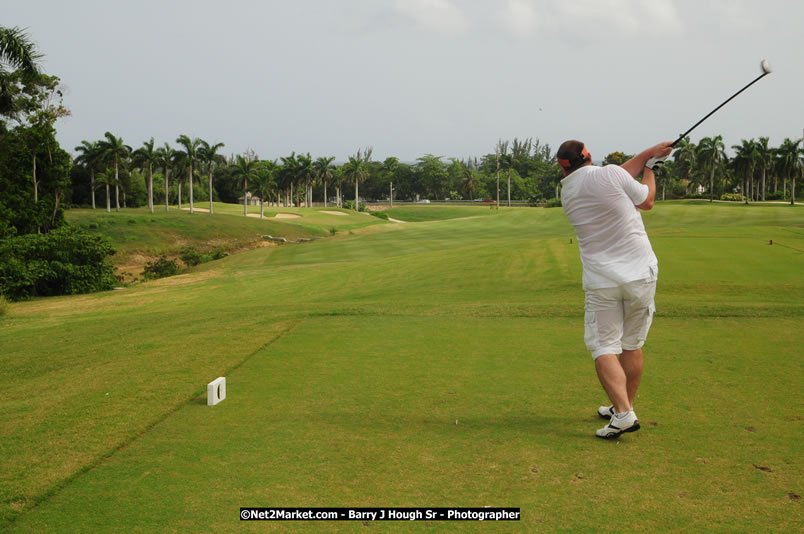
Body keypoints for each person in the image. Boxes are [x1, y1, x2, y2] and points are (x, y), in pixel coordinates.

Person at [557, 140, 673, 439]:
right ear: (589, 156)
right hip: (642, 274)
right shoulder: (609, 174)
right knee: (631, 344)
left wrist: (649, 154)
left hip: (603, 280)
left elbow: (615, 176)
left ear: (562, 165)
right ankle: (624, 408)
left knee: (604, 346)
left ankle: (622, 410)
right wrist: (650, 169)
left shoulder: (567, 191)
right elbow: (646, 201)